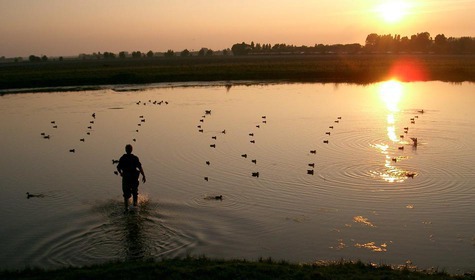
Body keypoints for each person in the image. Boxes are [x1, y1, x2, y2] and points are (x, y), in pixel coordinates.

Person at [117, 144, 146, 212]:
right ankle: (135, 205)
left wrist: (121, 173)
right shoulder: (135, 158)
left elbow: (118, 167)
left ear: (125, 150)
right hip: (134, 177)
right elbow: (140, 167)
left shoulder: (123, 158)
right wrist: (143, 175)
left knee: (126, 194)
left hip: (126, 178)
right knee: (135, 192)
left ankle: (126, 208)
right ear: (131, 150)